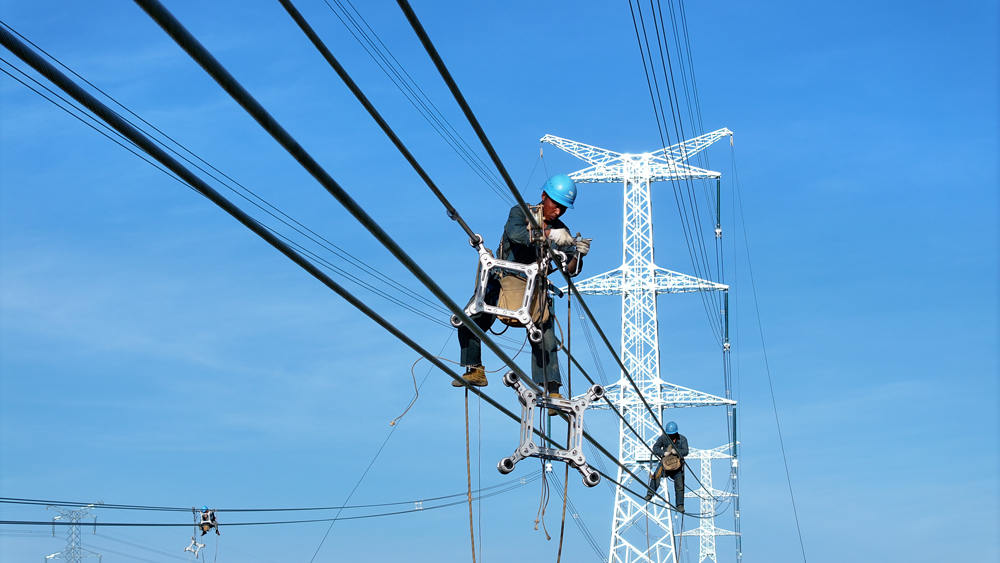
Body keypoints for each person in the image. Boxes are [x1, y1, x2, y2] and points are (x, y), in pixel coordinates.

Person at [455, 174, 590, 401]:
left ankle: (552, 389)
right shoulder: (521, 213)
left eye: (563, 208)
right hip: (503, 280)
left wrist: (577, 252)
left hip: (534, 290)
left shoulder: (562, 231)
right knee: (469, 317)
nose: (558, 211)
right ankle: (475, 370)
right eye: (556, 204)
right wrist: (548, 234)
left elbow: (569, 269)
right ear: (544, 197)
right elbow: (516, 235)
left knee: (546, 337)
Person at [643, 421, 689, 512]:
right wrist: (663, 453)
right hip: (665, 465)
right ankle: (650, 494)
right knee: (656, 476)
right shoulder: (663, 438)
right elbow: (655, 448)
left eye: (672, 434)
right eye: (669, 434)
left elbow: (686, 451)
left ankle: (680, 505)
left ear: (676, 432)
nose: (671, 436)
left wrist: (678, 452)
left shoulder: (682, 439)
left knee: (680, 486)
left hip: (677, 467)